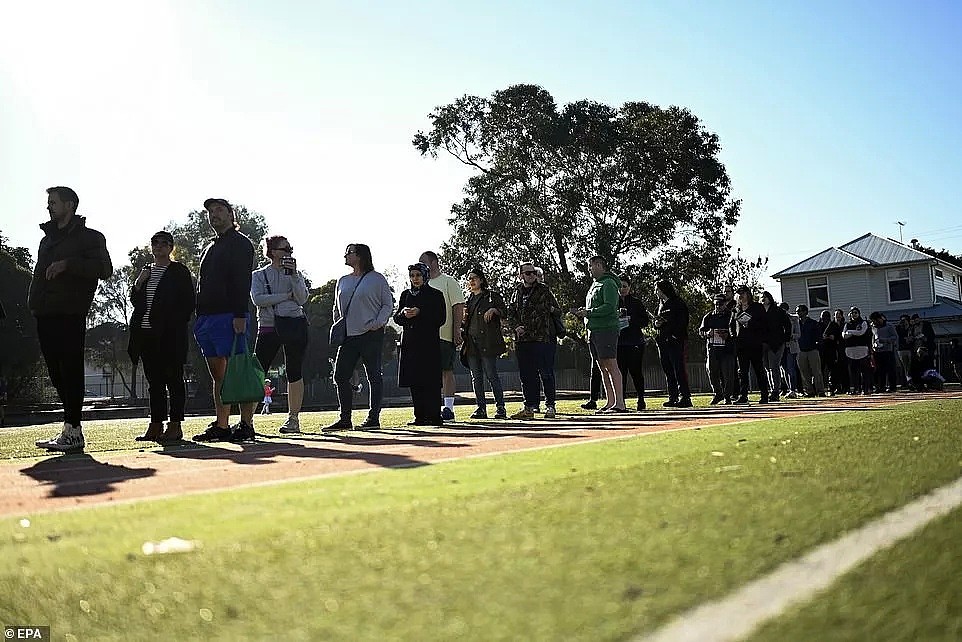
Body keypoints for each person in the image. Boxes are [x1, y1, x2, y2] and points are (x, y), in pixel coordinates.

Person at [30, 186, 112, 453]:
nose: (49, 206)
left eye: (53, 202)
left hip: (71, 312)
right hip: (45, 312)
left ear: (70, 205)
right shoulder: (47, 240)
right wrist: (34, 303)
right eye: (48, 202)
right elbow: (39, 273)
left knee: (70, 370)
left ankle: (73, 429)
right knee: (55, 372)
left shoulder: (91, 237)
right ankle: (70, 427)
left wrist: (68, 264)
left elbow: (104, 269)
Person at [190, 198, 257, 443]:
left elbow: (242, 281)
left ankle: (246, 424)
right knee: (218, 375)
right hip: (207, 317)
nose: (214, 215)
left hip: (230, 316)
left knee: (239, 371)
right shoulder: (210, 246)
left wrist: (240, 314)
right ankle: (222, 424)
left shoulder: (240, 244)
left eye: (219, 210)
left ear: (231, 214)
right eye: (210, 211)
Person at [127, 230, 195, 444]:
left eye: (164, 243)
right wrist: (139, 282)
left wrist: (171, 323)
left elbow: (188, 304)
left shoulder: (178, 271)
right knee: (154, 383)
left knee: (174, 381)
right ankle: (155, 424)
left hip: (170, 336)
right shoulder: (146, 271)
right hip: (146, 335)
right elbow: (136, 301)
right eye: (155, 243)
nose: (159, 247)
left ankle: (175, 425)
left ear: (171, 247)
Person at [324, 243, 394, 431]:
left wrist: (378, 323)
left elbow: (388, 304)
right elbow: (336, 307)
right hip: (348, 336)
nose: (345, 256)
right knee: (340, 376)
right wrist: (338, 324)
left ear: (361, 256)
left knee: (373, 375)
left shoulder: (377, 279)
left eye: (349, 253)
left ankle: (373, 417)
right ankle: (345, 418)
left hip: (371, 334)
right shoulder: (343, 280)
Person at [250, 235, 310, 433]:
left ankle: (293, 419)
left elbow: (301, 299)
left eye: (290, 249)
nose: (289, 253)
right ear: (273, 252)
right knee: (258, 372)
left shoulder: (295, 275)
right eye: (285, 249)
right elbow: (258, 299)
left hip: (295, 324)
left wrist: (294, 276)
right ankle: (246, 420)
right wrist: (286, 296)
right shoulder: (258, 275)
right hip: (268, 326)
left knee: (294, 371)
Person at [507, 261, 562, 419]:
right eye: (528, 273)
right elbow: (511, 312)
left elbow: (549, 311)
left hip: (540, 338)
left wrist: (528, 327)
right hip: (522, 340)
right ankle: (529, 407)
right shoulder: (516, 291)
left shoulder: (543, 290)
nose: (531, 276)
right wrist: (516, 327)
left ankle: (550, 406)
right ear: (521, 275)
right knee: (526, 375)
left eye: (533, 272)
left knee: (546, 373)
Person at [394, 263, 446, 426]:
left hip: (428, 344)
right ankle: (420, 416)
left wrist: (420, 312)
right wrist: (404, 313)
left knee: (430, 380)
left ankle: (434, 415)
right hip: (410, 344)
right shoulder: (405, 295)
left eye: (418, 275)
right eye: (412, 276)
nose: (415, 279)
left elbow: (440, 318)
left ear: (425, 276)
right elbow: (397, 317)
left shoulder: (436, 295)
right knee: (415, 381)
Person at [573, 256, 627, 412]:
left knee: (611, 364)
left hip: (606, 330)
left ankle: (620, 403)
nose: (589, 269)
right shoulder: (594, 284)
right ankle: (610, 402)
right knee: (602, 366)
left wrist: (588, 312)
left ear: (598, 265)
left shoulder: (608, 283)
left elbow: (610, 307)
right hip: (594, 331)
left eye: (590, 266)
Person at [419, 251, 465, 421]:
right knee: (428, 374)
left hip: (444, 335)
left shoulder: (448, 281)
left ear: (434, 262)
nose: (422, 265)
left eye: (424, 262)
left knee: (446, 370)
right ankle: (430, 408)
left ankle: (448, 408)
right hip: (425, 338)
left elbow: (458, 306)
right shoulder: (421, 286)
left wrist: (456, 331)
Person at [460, 267, 508, 420]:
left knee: (492, 375)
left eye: (474, 278)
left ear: (481, 279)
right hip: (471, 344)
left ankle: (500, 407)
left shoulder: (492, 296)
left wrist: (494, 309)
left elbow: (505, 312)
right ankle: (481, 408)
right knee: (476, 377)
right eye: (470, 278)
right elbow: (464, 322)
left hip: (487, 342)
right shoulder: (467, 300)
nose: (472, 281)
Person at [653, 280, 692, 407]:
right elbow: (656, 324)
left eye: (657, 289)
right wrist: (657, 324)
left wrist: (674, 334)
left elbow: (683, 321)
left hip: (675, 341)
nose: (655, 292)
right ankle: (673, 396)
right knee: (668, 370)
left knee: (679, 369)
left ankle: (685, 397)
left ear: (663, 289)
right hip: (663, 342)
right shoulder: (660, 305)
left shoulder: (677, 303)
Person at [616, 277, 651, 410]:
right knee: (621, 373)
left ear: (629, 287)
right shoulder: (613, 302)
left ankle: (641, 399)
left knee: (636, 372)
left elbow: (645, 321)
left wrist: (631, 320)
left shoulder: (636, 303)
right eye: (620, 287)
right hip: (619, 343)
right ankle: (621, 401)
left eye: (625, 286)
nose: (622, 289)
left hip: (635, 341)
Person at [731, 286, 769, 404]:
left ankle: (764, 395)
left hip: (755, 343)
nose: (741, 296)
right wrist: (733, 336)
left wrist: (750, 324)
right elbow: (731, 325)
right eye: (739, 294)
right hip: (741, 345)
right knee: (742, 372)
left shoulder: (757, 307)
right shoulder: (736, 309)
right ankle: (743, 396)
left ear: (748, 294)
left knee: (759, 370)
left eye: (743, 293)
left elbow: (764, 324)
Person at [700, 293, 736, 405]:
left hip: (727, 349)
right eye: (716, 304)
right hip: (713, 349)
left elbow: (736, 332)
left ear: (725, 304)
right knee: (712, 372)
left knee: (728, 374)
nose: (718, 306)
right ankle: (717, 393)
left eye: (720, 304)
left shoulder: (730, 316)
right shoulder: (708, 317)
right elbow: (701, 331)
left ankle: (727, 396)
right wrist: (707, 333)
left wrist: (728, 335)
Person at [760, 291, 791, 402]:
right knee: (767, 368)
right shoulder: (759, 311)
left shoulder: (778, 311)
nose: (763, 299)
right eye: (762, 297)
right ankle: (772, 389)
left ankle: (775, 391)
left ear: (770, 298)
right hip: (763, 343)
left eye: (765, 297)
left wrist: (786, 339)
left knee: (774, 367)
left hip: (776, 343)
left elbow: (788, 324)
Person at [794, 305, 825, 397]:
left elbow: (819, 336)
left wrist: (817, 345)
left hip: (812, 350)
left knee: (817, 372)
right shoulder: (796, 324)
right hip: (800, 350)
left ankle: (820, 391)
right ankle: (809, 391)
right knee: (804, 372)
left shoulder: (813, 323)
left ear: (805, 312)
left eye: (800, 311)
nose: (798, 313)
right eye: (797, 311)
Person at [841, 306, 872, 395]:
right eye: (852, 313)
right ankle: (855, 389)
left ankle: (865, 389)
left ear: (858, 314)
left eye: (855, 313)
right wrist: (853, 333)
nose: (854, 314)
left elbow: (861, 332)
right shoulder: (847, 324)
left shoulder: (863, 322)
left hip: (862, 349)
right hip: (850, 350)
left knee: (864, 371)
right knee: (853, 371)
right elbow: (844, 335)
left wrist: (850, 332)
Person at [869, 312, 898, 393]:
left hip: (888, 350)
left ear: (879, 319)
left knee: (890, 369)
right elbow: (873, 337)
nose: (874, 322)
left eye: (875, 321)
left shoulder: (889, 326)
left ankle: (892, 387)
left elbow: (895, 337)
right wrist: (873, 345)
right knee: (879, 370)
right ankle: (881, 386)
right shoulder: (873, 327)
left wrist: (885, 340)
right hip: (877, 351)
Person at [779, 302, 801, 398]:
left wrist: (790, 335)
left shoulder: (794, 319)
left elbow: (798, 334)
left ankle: (793, 389)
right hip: (781, 347)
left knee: (791, 368)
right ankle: (789, 389)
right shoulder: (777, 319)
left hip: (791, 346)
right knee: (785, 370)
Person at [817, 310, 839, 395]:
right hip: (821, 350)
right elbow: (817, 337)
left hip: (831, 349)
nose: (824, 318)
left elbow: (838, 337)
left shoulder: (833, 325)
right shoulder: (818, 325)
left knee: (833, 370)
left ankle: (832, 388)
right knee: (821, 370)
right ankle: (821, 388)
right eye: (823, 317)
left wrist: (832, 337)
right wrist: (822, 338)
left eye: (826, 316)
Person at [895, 315, 914, 389]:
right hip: (902, 349)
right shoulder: (898, 328)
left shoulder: (911, 328)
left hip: (910, 349)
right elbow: (898, 338)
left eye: (905, 320)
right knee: (904, 367)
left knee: (910, 367)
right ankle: (906, 383)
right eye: (902, 320)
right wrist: (905, 339)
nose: (904, 322)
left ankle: (910, 382)